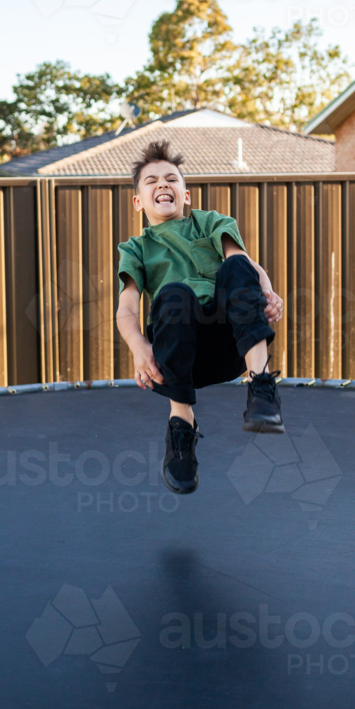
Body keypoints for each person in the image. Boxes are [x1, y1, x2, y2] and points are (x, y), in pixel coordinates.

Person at [116, 138, 284, 496]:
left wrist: (267, 292)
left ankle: (261, 387)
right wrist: (138, 346)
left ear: (186, 195)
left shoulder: (211, 223)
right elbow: (127, 308)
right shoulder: (136, 249)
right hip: (179, 354)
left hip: (228, 343)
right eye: (152, 181)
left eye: (171, 179)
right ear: (138, 202)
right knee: (175, 292)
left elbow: (246, 265)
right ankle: (182, 425)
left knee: (235, 265)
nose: (163, 184)